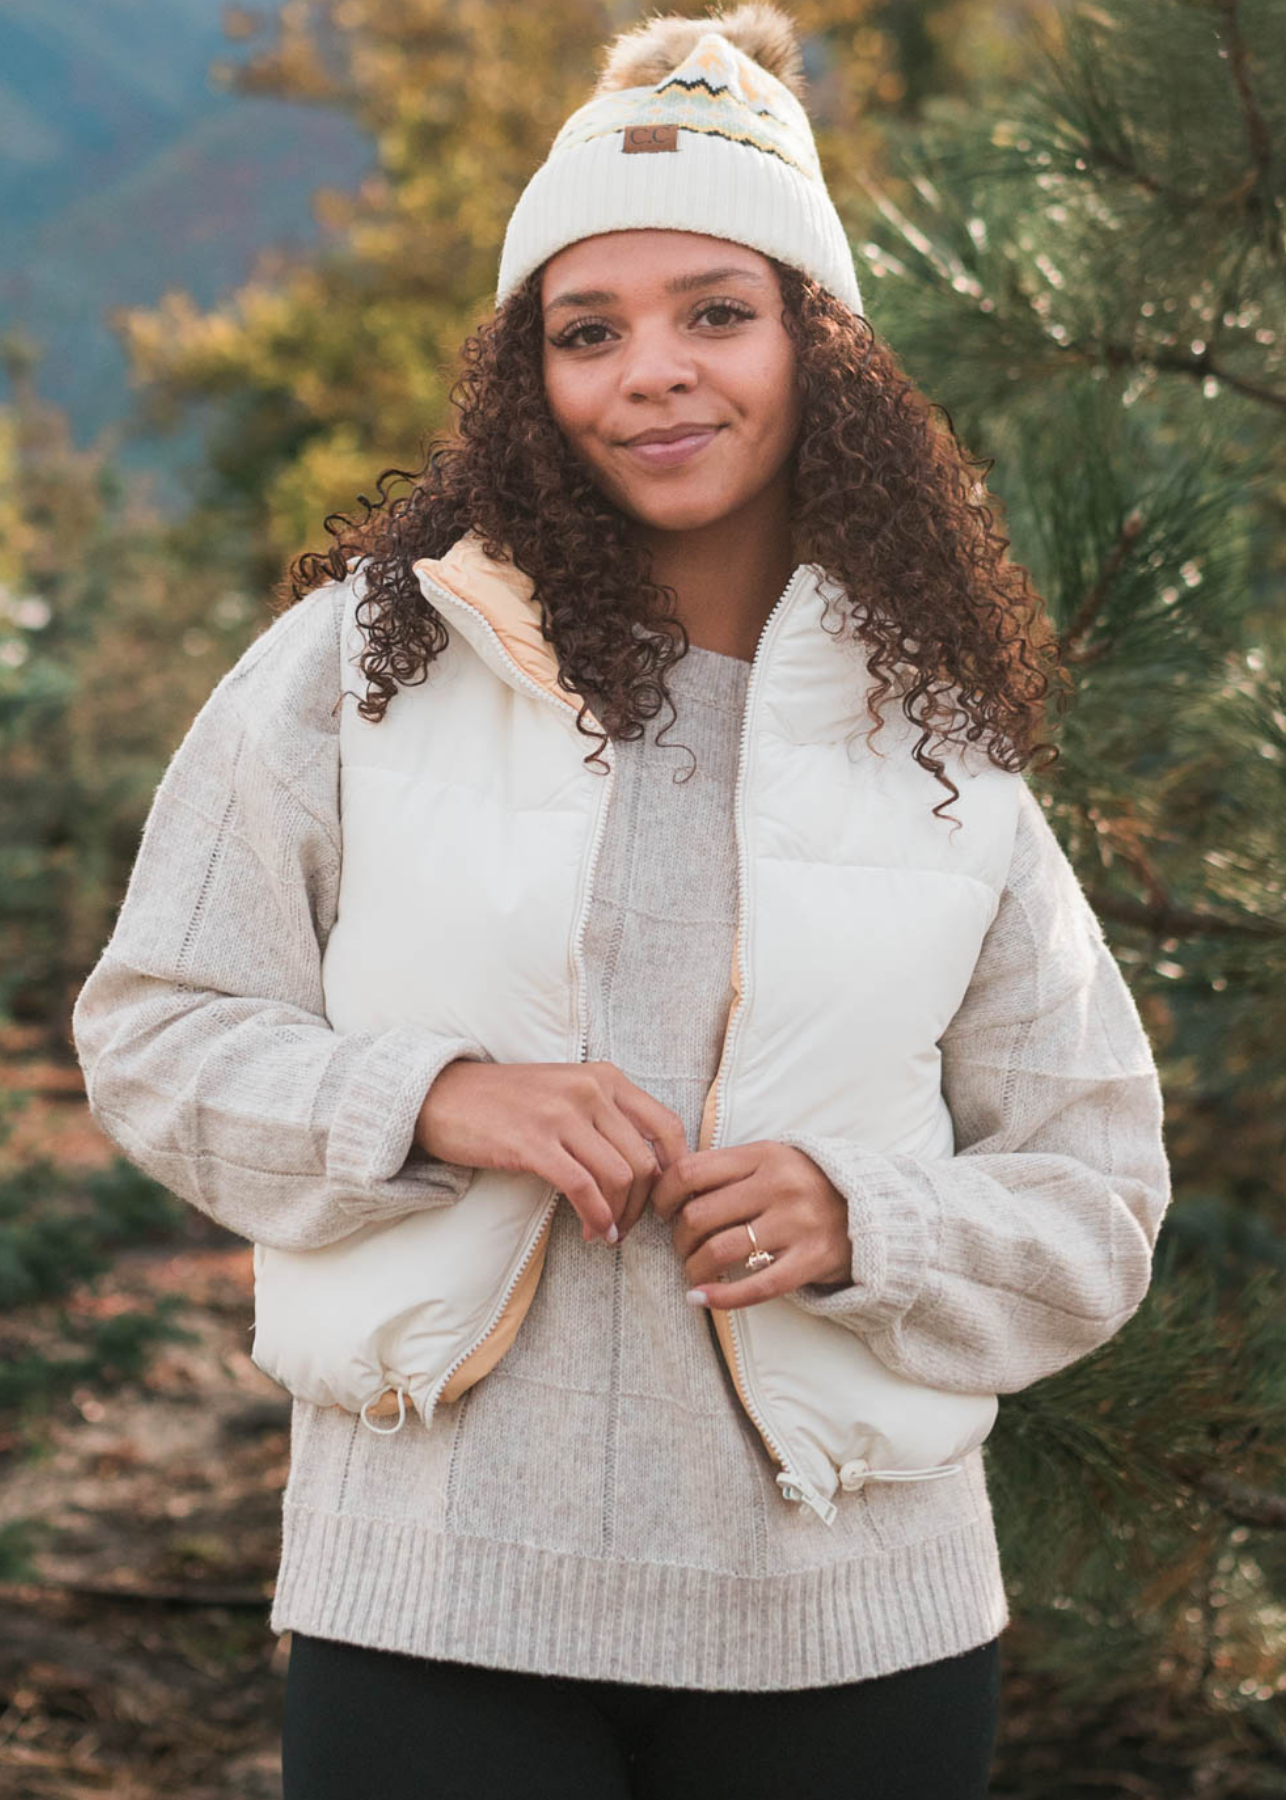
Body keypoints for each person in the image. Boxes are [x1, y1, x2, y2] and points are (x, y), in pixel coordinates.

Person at [70, 4, 1173, 1796]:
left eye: (715, 314)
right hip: (434, 1604)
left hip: (854, 1621)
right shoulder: (361, 667)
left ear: (821, 351)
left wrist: (865, 1219)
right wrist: (432, 1097)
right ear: (532, 379)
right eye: (588, 332)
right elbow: (154, 1034)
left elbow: (1095, 1190)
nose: (650, 371)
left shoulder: (944, 748)